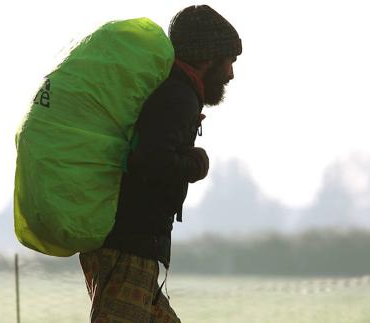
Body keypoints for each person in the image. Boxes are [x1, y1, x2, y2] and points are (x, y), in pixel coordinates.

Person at [79, 5, 242, 322]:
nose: (231, 74)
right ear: (207, 58)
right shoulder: (177, 96)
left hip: (131, 244)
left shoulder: (171, 90)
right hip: (129, 245)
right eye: (229, 61)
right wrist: (195, 164)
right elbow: (152, 162)